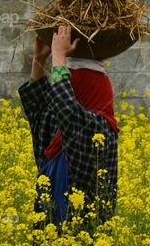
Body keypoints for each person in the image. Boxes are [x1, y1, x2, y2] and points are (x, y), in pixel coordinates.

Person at [18, 26, 120, 233]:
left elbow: (66, 108)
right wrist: (38, 60)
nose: (61, 88)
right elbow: (37, 108)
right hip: (49, 231)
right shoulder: (58, 129)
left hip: (82, 237)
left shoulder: (99, 129)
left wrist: (58, 56)